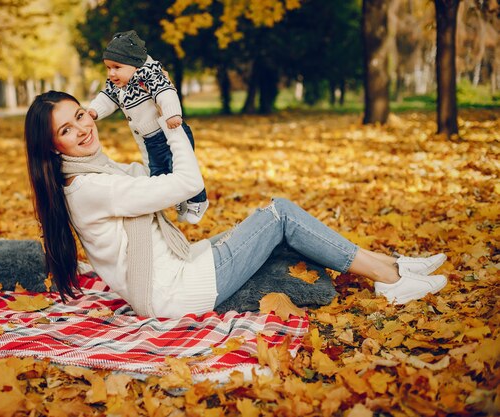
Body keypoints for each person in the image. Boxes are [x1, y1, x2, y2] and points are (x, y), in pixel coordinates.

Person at [24, 90, 448, 319]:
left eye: (80, 115)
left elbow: (147, 175)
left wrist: (145, 120)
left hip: (175, 268)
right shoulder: (90, 187)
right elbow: (187, 182)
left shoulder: (93, 173)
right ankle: (389, 278)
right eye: (66, 128)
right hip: (172, 291)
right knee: (278, 214)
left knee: (270, 221)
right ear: (51, 145)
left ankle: (391, 266)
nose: (81, 128)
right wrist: (173, 125)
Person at [87, 30, 208, 224]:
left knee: (179, 167)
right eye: (108, 68)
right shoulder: (117, 84)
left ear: (134, 63)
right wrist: (93, 111)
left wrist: (172, 114)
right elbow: (107, 98)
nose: (111, 73)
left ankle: (198, 200)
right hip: (150, 140)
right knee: (157, 173)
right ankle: (177, 198)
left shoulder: (149, 74)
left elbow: (165, 92)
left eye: (116, 67)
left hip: (167, 132)